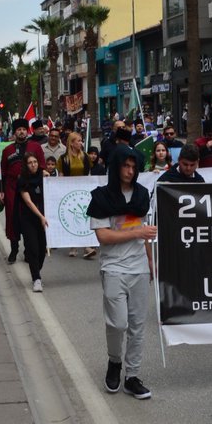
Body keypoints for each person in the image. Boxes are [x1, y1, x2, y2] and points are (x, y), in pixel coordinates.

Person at [88, 146, 157, 400]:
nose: (130, 171)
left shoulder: (141, 195)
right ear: (116, 168)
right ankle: (114, 361)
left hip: (138, 268)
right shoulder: (102, 198)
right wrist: (137, 233)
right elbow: (104, 236)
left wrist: (150, 262)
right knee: (117, 323)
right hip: (113, 268)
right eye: (125, 166)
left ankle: (132, 376)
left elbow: (146, 232)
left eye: (133, 167)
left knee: (137, 326)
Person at [1, 119, 45, 265]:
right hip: (12, 188)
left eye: (24, 129)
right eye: (19, 129)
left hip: (30, 187)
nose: (22, 132)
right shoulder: (7, 150)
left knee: (29, 218)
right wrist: (1, 191)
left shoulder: (35, 147)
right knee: (13, 219)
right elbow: (3, 172)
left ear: (28, 131)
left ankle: (28, 251)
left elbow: (42, 167)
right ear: (14, 132)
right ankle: (14, 250)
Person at [17, 152, 48, 292]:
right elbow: (28, 202)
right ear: (26, 165)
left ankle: (36, 270)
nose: (33, 164)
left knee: (43, 249)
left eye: (35, 161)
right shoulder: (22, 180)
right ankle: (36, 278)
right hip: (29, 219)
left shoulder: (44, 175)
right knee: (33, 249)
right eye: (30, 162)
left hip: (44, 219)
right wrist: (40, 216)